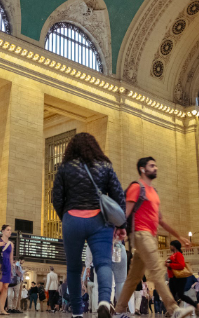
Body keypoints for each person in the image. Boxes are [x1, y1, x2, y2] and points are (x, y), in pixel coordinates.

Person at [51, 132, 126, 318]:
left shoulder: (65, 168)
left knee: (74, 268)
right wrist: (120, 224)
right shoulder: (105, 166)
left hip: (72, 220)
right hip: (99, 220)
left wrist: (67, 216)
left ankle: (77, 313)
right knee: (103, 264)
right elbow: (119, 197)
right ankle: (103, 302)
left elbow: (56, 198)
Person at [115, 157, 194, 318]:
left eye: (155, 165)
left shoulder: (154, 192)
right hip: (140, 234)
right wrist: (116, 234)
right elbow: (125, 213)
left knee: (133, 277)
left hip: (150, 236)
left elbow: (161, 220)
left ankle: (119, 311)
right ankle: (174, 309)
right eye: (152, 166)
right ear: (143, 169)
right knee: (157, 270)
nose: (155, 168)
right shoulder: (136, 187)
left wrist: (179, 236)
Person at [167, 240, 199, 314]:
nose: (170, 247)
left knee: (180, 295)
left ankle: (195, 305)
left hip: (179, 278)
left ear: (174, 246)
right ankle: (173, 311)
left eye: (171, 245)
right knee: (172, 296)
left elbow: (181, 265)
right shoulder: (172, 255)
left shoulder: (178, 254)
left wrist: (170, 265)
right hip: (173, 278)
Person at [112, 237, 127, 303]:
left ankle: (110, 304)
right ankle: (120, 307)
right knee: (120, 283)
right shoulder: (123, 247)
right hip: (121, 250)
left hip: (115, 250)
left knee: (112, 284)